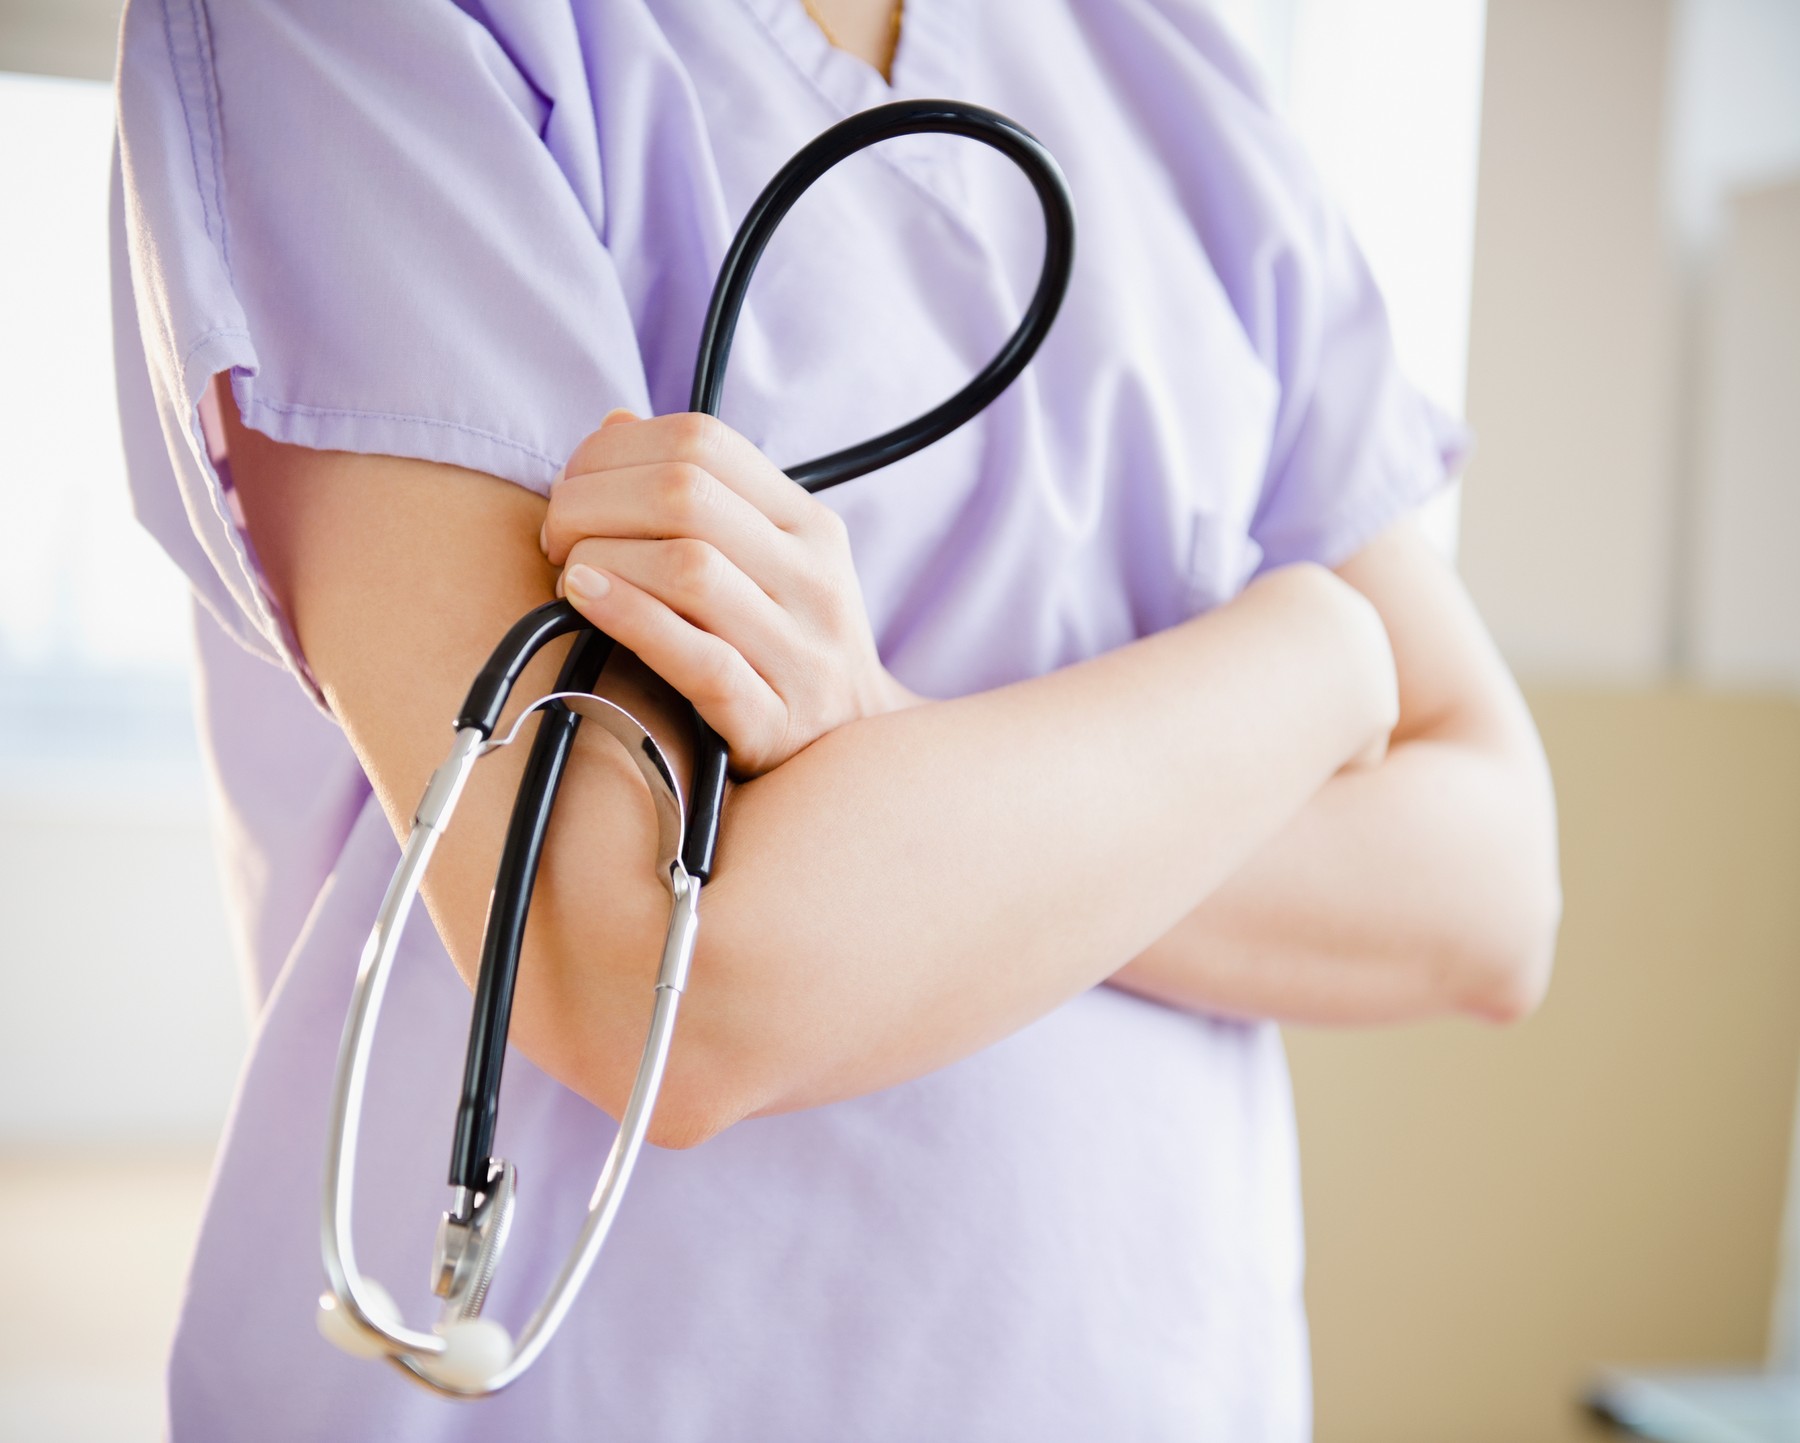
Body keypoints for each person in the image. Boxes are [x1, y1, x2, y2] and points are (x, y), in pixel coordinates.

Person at [111, 0, 1561, 1437]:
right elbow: (647, 988)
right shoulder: (366, 28)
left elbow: (1492, 891)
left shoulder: (1170, 63)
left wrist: (890, 736)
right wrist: (1315, 663)